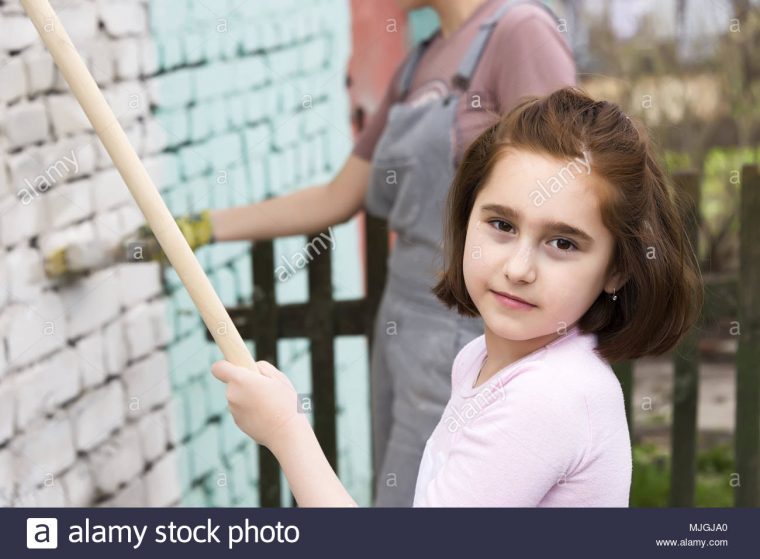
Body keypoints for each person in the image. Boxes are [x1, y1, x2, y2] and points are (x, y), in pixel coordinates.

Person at [46, 0, 575, 506]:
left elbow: (565, 192)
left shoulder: (520, 31)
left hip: (476, 329)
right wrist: (199, 229)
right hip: (404, 325)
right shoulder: (419, 63)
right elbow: (335, 198)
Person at [210, 87, 704, 507]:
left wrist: (285, 430)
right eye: (502, 225)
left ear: (616, 270)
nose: (518, 268)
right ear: (467, 218)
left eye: (563, 243)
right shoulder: (481, 360)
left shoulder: (548, 398)